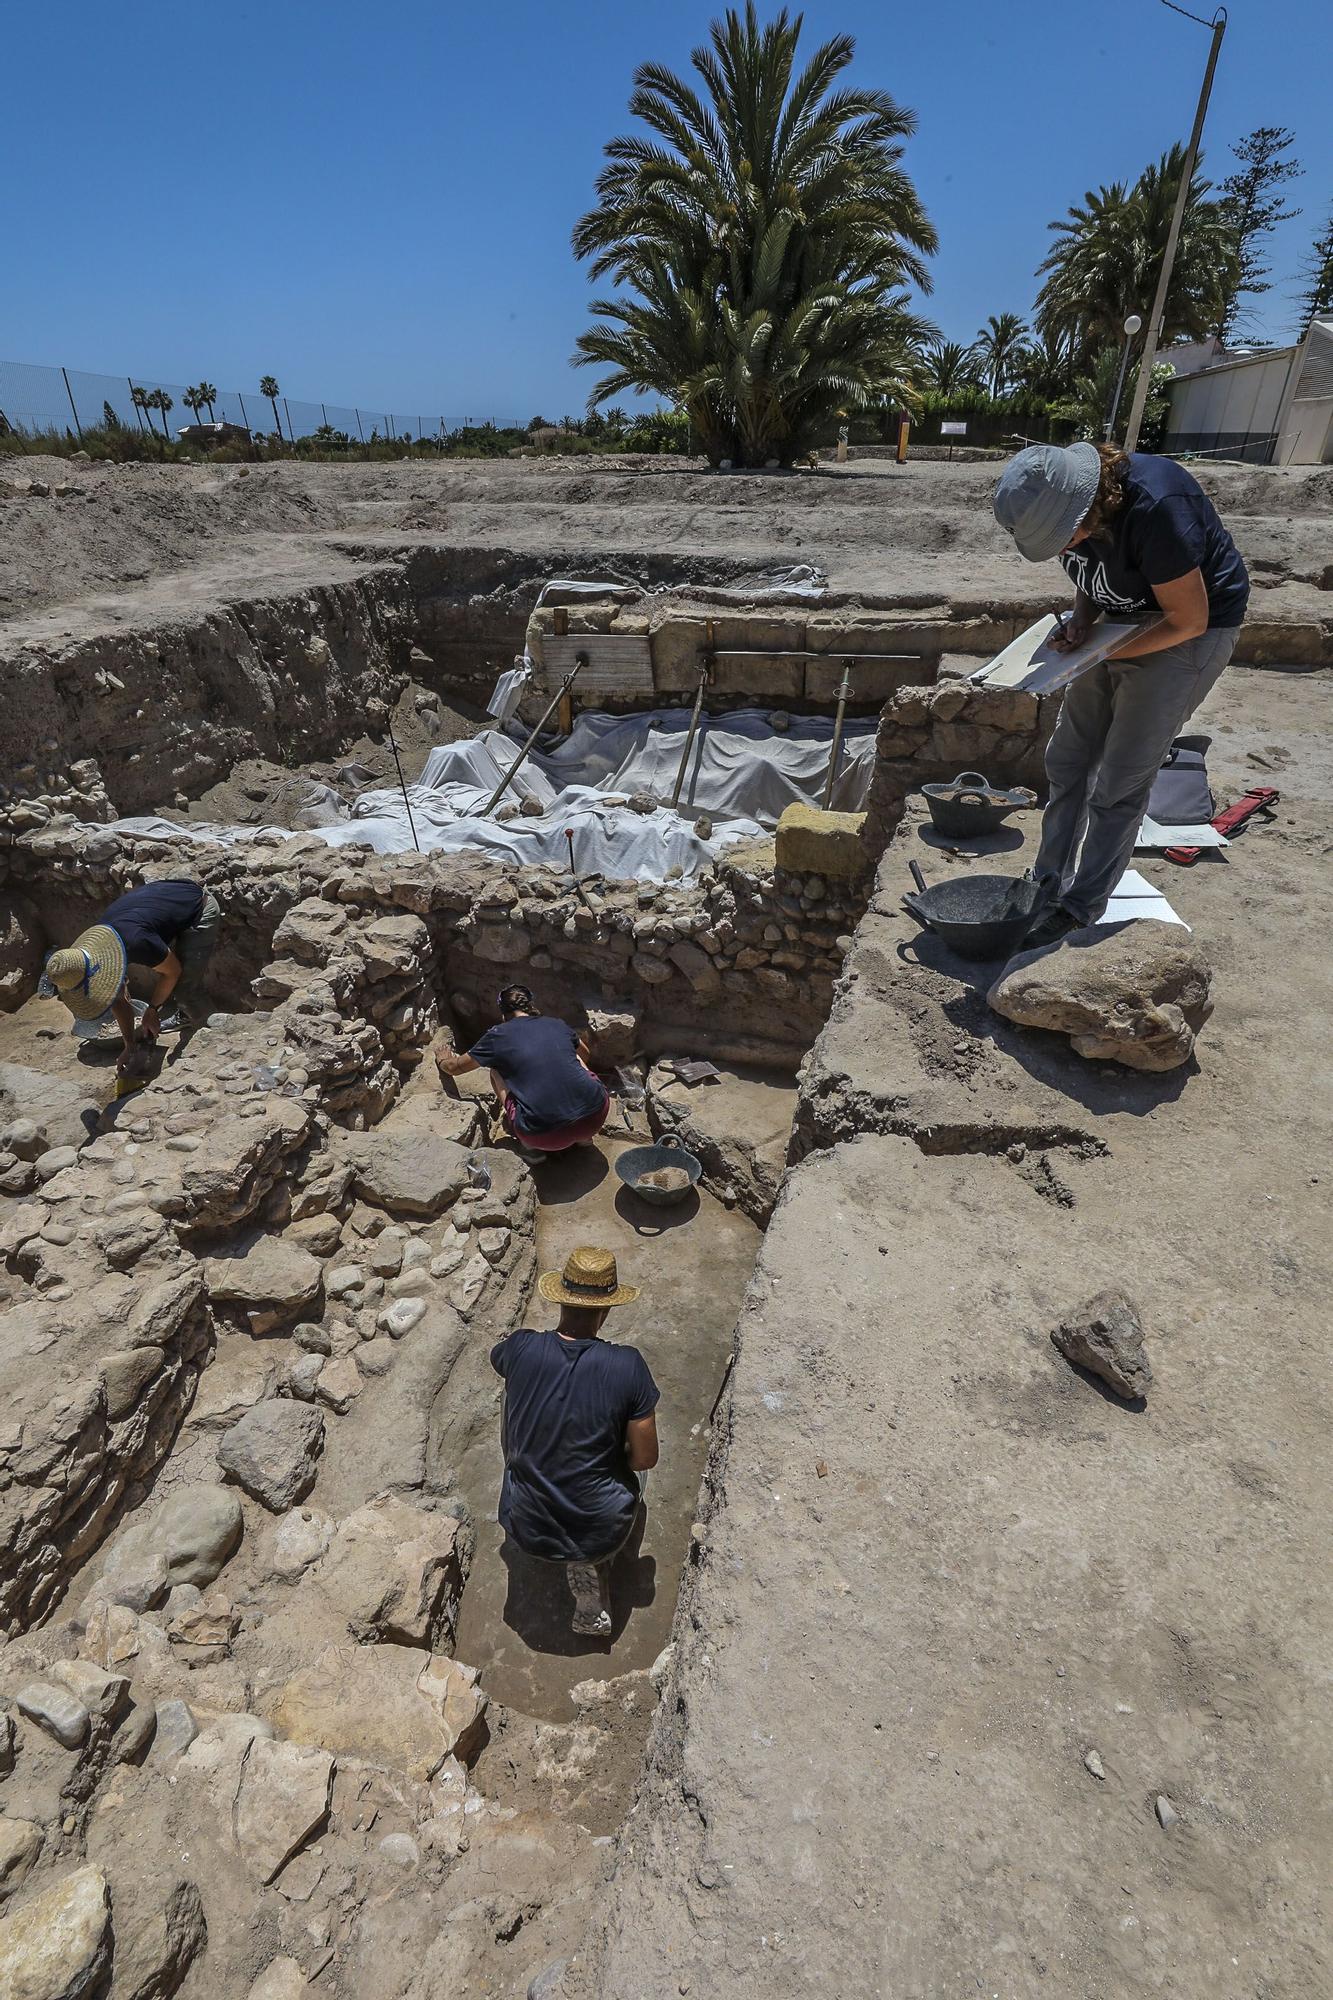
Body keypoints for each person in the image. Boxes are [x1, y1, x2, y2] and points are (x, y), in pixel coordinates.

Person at [992, 441, 1249, 947]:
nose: (1064, 550)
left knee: (1121, 778)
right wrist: (1083, 624)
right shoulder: (1078, 516)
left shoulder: (1157, 508)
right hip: (1122, 622)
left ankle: (1080, 905)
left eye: (1064, 537)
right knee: (1069, 758)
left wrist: (1102, 654)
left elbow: (1188, 618)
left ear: (1090, 504)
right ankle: (1049, 879)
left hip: (1189, 630)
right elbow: (1096, 573)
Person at [491, 1246, 659, 1637]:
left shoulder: (521, 1346)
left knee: (511, 1394)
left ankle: (544, 1490)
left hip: (524, 1524)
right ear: (608, 1309)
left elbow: (496, 1359)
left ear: (561, 1299)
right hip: (599, 1528)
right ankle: (590, 1562)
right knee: (635, 1452)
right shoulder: (628, 1365)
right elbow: (645, 1458)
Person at [41, 879, 221, 1073]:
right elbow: (117, 999)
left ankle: (218, 1040)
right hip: (168, 903)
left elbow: (172, 972)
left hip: (199, 906)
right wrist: (130, 1044)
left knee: (186, 989)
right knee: (178, 972)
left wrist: (152, 1011)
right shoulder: (97, 949)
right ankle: (187, 1015)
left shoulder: (136, 942)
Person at [436, 985, 610, 1155]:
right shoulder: (556, 1024)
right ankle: (584, 1138)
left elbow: (455, 1068)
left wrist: (443, 1059)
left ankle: (531, 1150)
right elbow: (585, 1054)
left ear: (503, 1014)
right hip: (596, 1116)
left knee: (496, 1071)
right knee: (575, 1057)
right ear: (530, 1006)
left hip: (543, 1136)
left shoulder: (497, 1036)